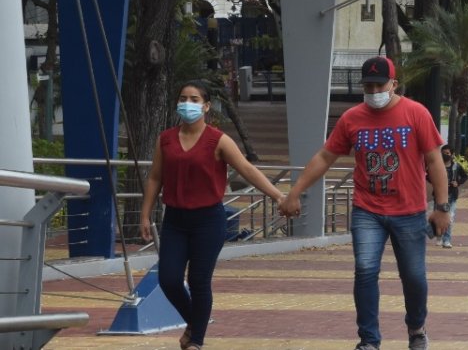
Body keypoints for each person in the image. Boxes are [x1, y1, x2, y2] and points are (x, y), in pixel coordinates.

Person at [280, 56, 449, 350]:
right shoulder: (352, 118)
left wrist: (442, 207)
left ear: (394, 84)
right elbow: (325, 157)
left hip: (409, 211)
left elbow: (434, 161)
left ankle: (416, 328)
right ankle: (369, 340)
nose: (373, 91)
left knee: (414, 277)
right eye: (367, 86)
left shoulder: (416, 114)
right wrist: (295, 192)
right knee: (366, 271)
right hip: (367, 211)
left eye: (379, 85)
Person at [140, 80, 286, 350]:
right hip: (175, 220)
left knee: (198, 280)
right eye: (183, 98)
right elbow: (155, 178)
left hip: (208, 220)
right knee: (168, 278)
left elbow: (246, 169)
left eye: (194, 99)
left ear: (206, 106)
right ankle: (195, 322)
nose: (188, 103)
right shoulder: (166, 139)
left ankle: (196, 340)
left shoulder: (218, 140)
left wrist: (277, 195)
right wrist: (145, 214)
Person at [432, 144, 468, 248]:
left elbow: (465, 177)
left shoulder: (456, 166)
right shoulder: (437, 166)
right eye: (443, 154)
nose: (445, 155)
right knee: (438, 218)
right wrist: (436, 182)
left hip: (452, 196)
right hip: (439, 196)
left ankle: (447, 240)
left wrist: (458, 182)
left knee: (449, 218)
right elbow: (428, 176)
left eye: (447, 153)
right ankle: (439, 236)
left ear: (452, 155)